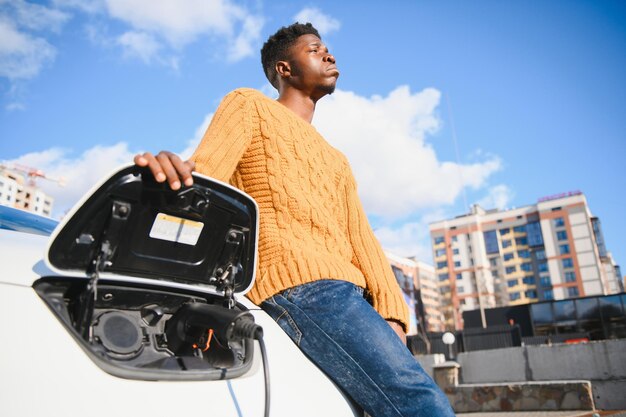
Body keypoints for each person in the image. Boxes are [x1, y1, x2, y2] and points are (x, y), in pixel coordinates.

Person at [135, 22, 455, 417]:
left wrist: (392, 315)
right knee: (423, 403)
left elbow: (363, 240)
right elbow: (207, 177)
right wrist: (172, 173)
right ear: (284, 69)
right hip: (303, 289)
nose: (329, 55)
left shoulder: (338, 159)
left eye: (328, 49)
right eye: (315, 49)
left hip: (351, 297)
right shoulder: (249, 105)